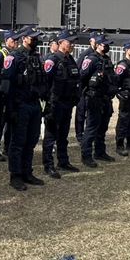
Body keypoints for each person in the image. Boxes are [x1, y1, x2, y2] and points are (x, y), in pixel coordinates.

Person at [2, 25, 48, 191]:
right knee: (18, 142)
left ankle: (27, 171)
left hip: (34, 104)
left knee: (31, 140)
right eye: (32, 37)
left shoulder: (36, 56)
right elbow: (6, 83)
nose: (35, 40)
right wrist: (10, 109)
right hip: (20, 105)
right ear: (24, 38)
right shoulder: (14, 57)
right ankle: (15, 175)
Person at [41, 30, 81, 178]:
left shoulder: (70, 59)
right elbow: (45, 82)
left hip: (67, 103)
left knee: (63, 135)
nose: (72, 45)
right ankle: (48, 165)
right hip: (55, 104)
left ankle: (63, 161)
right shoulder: (52, 60)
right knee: (51, 136)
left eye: (73, 42)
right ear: (60, 43)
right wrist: (48, 103)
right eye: (69, 42)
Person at [78, 35, 118, 167]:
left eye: (108, 44)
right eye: (104, 44)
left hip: (105, 98)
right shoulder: (91, 59)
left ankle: (100, 152)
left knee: (102, 127)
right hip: (94, 98)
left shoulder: (106, 59)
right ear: (99, 45)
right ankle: (86, 155)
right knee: (91, 128)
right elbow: (82, 77)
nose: (107, 47)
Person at [0, 30, 18, 161]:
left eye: (16, 40)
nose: (15, 43)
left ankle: (7, 148)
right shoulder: (1, 54)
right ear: (6, 41)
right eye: (13, 40)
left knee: (11, 122)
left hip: (11, 93)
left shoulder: (14, 54)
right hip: (1, 93)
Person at [75, 31, 100, 145]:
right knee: (81, 113)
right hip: (83, 89)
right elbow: (80, 72)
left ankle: (88, 134)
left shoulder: (99, 55)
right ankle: (80, 135)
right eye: (96, 40)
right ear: (91, 41)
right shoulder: (86, 54)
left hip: (93, 91)